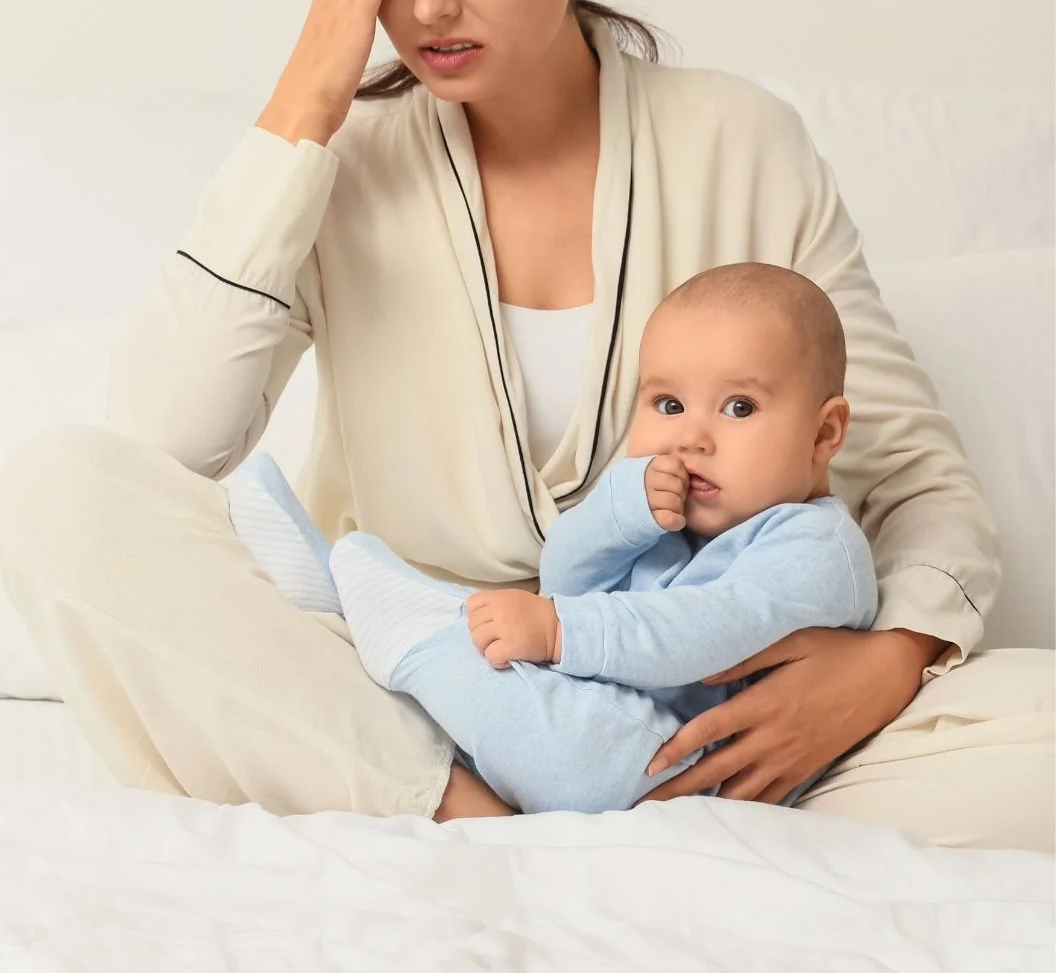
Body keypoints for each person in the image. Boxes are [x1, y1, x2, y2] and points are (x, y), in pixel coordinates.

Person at [0, 0, 1053, 847]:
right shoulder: (342, 164)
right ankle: (469, 817)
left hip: (702, 727)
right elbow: (163, 441)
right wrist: (313, 84)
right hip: (413, 699)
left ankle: (613, 812)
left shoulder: (739, 143)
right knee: (56, 492)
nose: (430, 2)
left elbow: (919, 481)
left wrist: (879, 670)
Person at [227, 262, 879, 815]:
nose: (690, 437)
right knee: (490, 678)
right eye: (668, 405)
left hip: (676, 769)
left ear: (824, 435)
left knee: (579, 756)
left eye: (739, 407)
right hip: (588, 705)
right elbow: (566, 575)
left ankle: (406, 627)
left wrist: (560, 630)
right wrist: (620, 512)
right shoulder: (672, 524)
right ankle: (338, 601)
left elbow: (698, 633)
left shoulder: (818, 551)